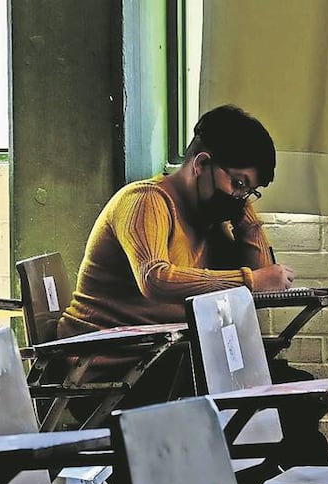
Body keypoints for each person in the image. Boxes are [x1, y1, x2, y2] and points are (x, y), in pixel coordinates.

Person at [59, 104, 295, 336]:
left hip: (162, 353)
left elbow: (264, 288)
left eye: (249, 191)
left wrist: (245, 216)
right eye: (239, 183)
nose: (240, 197)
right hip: (102, 357)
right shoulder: (145, 200)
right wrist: (250, 280)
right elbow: (154, 279)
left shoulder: (208, 218)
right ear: (201, 164)